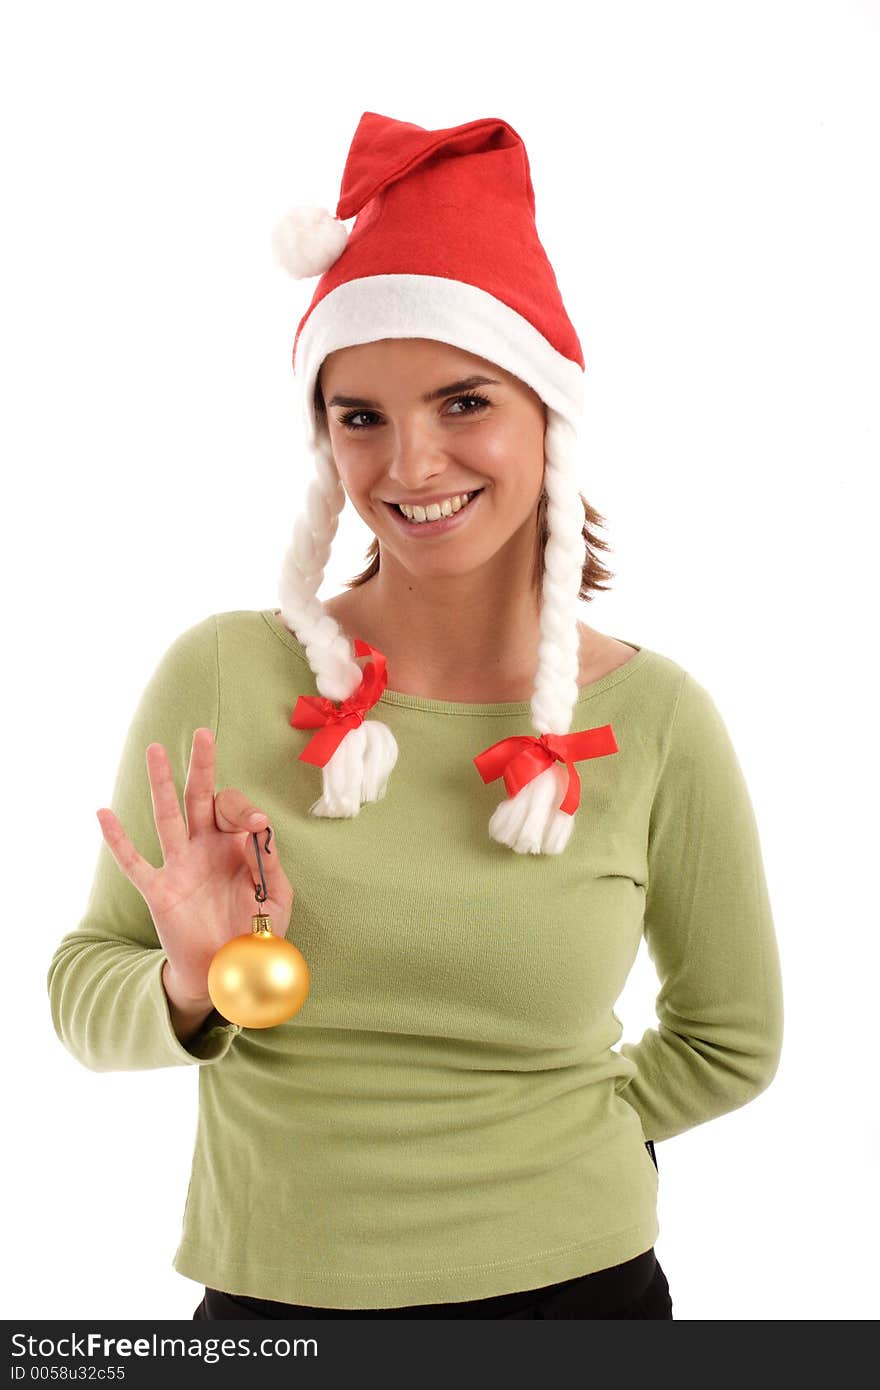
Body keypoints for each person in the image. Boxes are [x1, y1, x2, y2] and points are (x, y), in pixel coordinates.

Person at [46, 112, 784, 1320]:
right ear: (322, 435)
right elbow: (86, 994)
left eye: (463, 401)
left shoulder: (655, 720)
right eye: (361, 417)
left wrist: (541, 1148)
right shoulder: (227, 673)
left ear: (547, 413)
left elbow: (729, 1040)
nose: (412, 463)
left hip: (577, 1297)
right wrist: (193, 986)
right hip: (271, 1310)